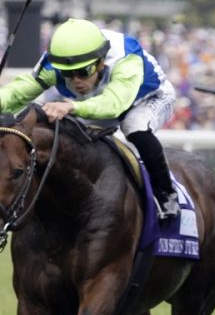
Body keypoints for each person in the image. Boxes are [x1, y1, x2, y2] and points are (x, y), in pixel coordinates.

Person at [0, 17, 181, 219]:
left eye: (83, 72)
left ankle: (166, 194)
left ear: (101, 61)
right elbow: (17, 93)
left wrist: (71, 106)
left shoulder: (126, 59)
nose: (76, 80)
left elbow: (114, 104)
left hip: (146, 98)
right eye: (68, 74)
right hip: (96, 100)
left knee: (134, 126)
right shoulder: (55, 63)